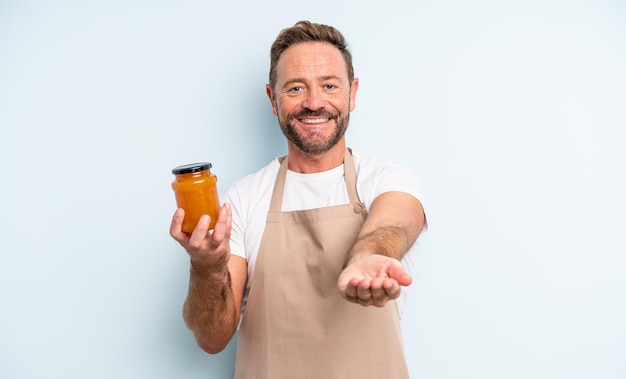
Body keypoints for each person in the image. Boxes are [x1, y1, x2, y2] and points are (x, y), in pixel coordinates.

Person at [170, 20, 427, 378]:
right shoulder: (243, 199)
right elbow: (211, 339)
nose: (314, 102)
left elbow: (393, 224)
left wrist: (369, 257)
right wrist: (207, 265)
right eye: (295, 88)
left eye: (329, 85)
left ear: (352, 93)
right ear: (273, 100)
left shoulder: (387, 179)